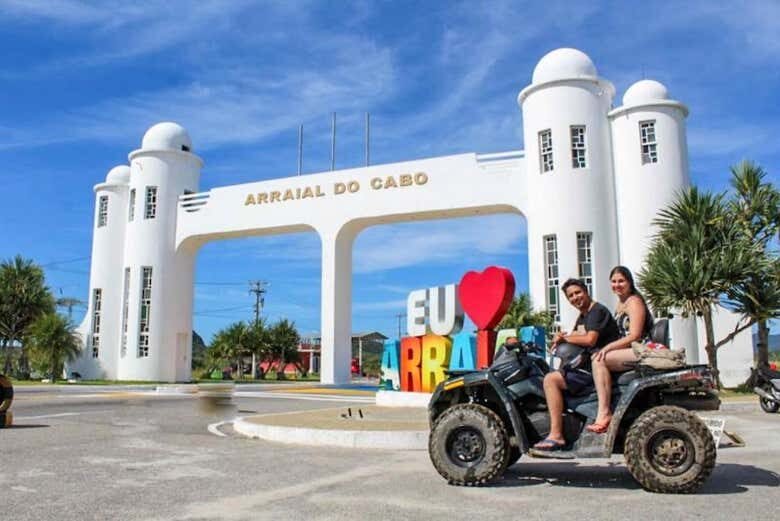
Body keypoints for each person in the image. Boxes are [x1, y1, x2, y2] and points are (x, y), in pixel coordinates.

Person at [532, 278, 620, 452]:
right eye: (570, 296)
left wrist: (564, 338)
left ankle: (556, 435)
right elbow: (577, 336)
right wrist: (562, 339)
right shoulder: (584, 315)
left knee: (550, 380)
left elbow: (590, 339)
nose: (575, 297)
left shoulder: (596, 311)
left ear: (586, 291)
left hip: (593, 367)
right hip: (585, 364)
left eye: (577, 292)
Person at [586, 266, 654, 433]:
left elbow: (635, 335)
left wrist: (608, 348)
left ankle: (604, 413)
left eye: (621, 281)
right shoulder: (621, 303)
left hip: (641, 349)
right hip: (629, 349)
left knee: (599, 360)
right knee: (597, 355)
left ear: (629, 282)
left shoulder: (634, 301)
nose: (617, 285)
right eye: (614, 281)